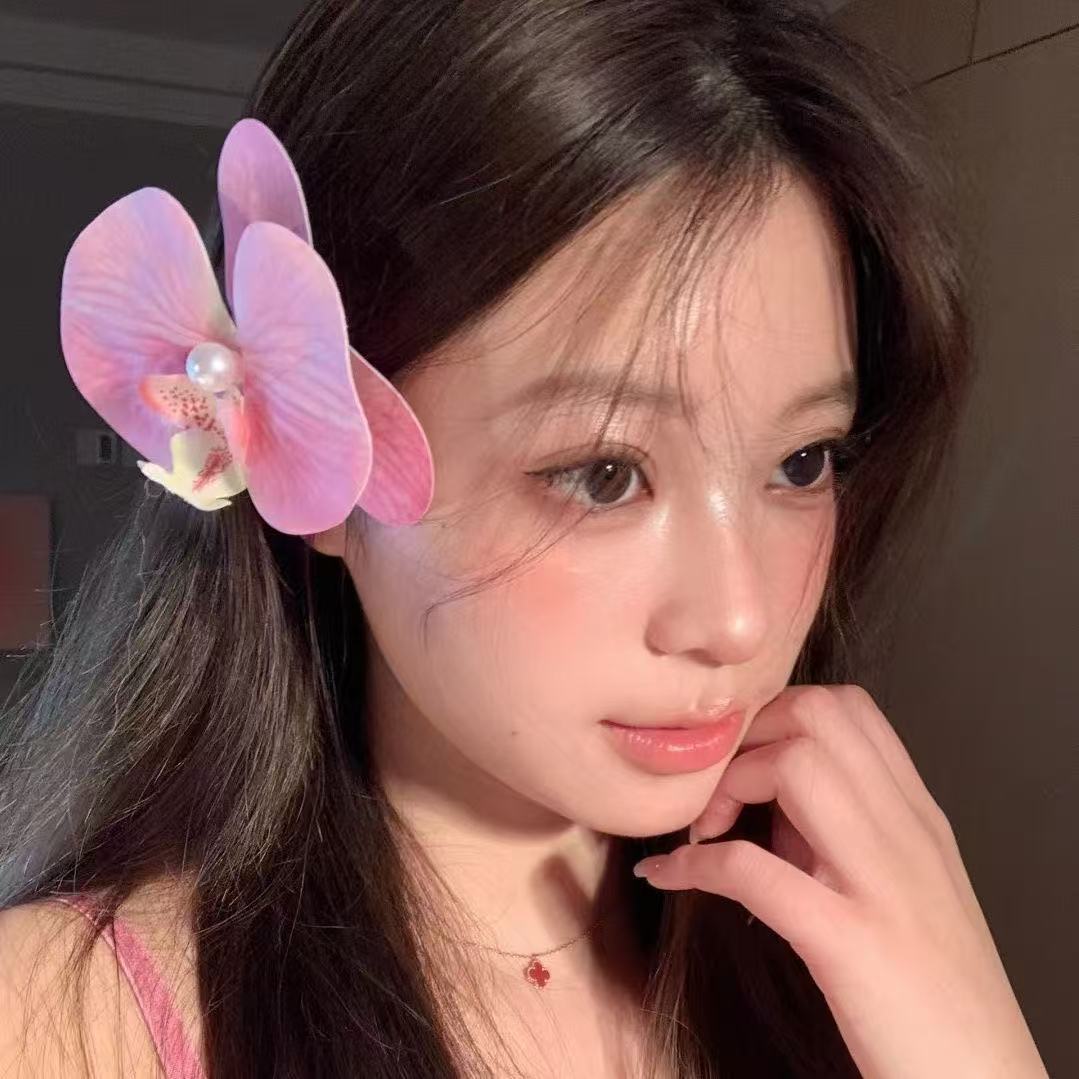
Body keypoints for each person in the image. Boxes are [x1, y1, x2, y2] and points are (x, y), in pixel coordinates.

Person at [0, 0, 1050, 1076]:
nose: (737, 619)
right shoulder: (59, 1023)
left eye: (800, 461)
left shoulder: (849, 959)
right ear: (317, 465)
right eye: (603, 475)